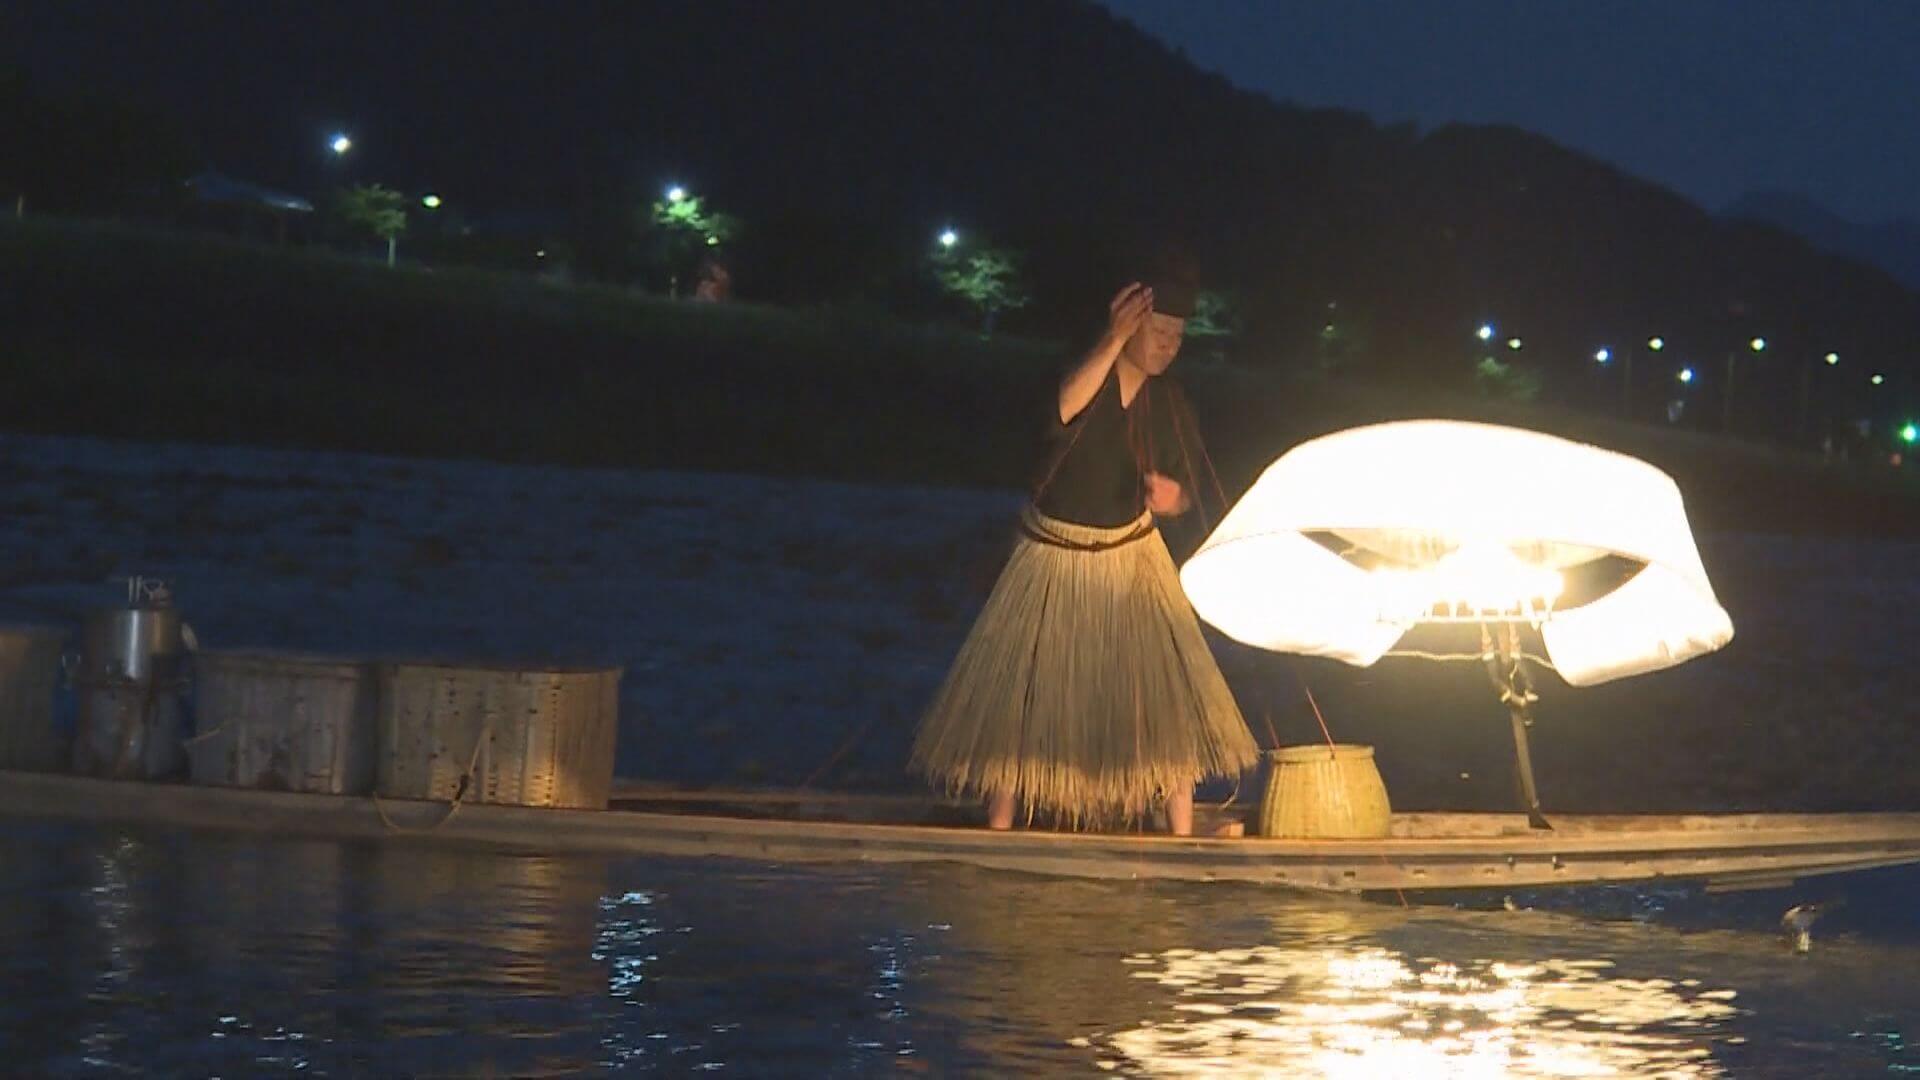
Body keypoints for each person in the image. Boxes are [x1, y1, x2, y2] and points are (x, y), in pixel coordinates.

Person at [909, 256, 1258, 835]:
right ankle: (1001, 823)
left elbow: (1188, 490)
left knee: (1165, 698)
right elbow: (1061, 411)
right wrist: (1112, 338)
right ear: (1129, 326)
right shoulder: (1081, 374)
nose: (1168, 344)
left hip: (1134, 558)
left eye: (1177, 334)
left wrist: (1172, 501)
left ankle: (1178, 828)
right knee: (1024, 698)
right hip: (1051, 555)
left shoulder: (1172, 406)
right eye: (1157, 331)